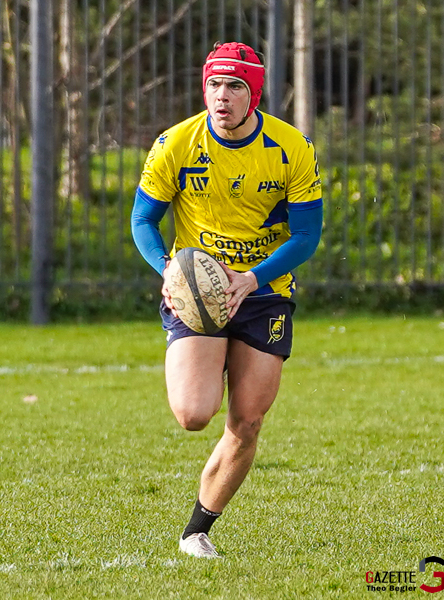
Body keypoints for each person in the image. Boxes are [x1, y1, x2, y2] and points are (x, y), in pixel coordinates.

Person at [130, 42, 324, 558]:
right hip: (197, 290)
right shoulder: (175, 143)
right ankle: (204, 355)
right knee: (194, 414)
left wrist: (253, 278)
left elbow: (306, 236)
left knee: (247, 421)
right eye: (214, 84)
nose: (222, 96)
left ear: (253, 94)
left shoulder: (291, 148)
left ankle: (196, 531)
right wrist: (168, 269)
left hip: (264, 293)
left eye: (235, 86)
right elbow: (142, 221)